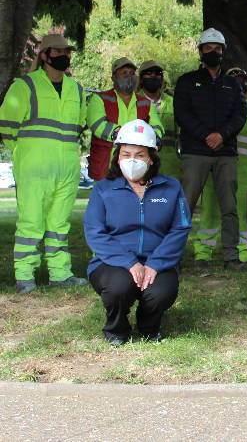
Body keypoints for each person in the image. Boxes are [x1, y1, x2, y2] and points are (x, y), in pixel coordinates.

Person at [83, 119, 191, 346]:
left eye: (139, 155)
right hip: (112, 263)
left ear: (151, 157)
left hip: (157, 262)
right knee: (119, 287)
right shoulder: (103, 189)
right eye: (126, 154)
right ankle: (117, 329)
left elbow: (180, 228)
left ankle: (149, 326)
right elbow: (95, 232)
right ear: (118, 157)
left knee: (161, 293)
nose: (132, 160)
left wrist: (155, 264)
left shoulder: (171, 187)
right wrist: (130, 263)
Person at [0, 33, 89, 294]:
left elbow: (78, 126)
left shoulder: (77, 89)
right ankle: (25, 276)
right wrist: (23, 154)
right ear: (45, 55)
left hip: (68, 168)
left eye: (67, 52)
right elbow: (6, 125)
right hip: (33, 167)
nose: (64, 57)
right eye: (58, 52)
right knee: (31, 222)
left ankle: (60, 274)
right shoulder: (25, 85)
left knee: (59, 224)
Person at [173, 28, 247, 268]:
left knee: (229, 207)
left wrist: (222, 135)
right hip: (196, 152)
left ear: (223, 52)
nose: (213, 52)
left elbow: (240, 115)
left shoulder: (232, 85)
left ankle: (231, 256)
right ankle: (173, 257)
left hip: (225, 153)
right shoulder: (186, 82)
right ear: (201, 51)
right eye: (208, 48)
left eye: (217, 48)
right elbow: (182, 114)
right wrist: (206, 135)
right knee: (186, 206)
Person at [193, 67, 247, 268]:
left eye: (242, 79)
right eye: (233, 78)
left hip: (245, 173)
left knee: (244, 214)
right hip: (214, 168)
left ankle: (244, 252)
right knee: (210, 210)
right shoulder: (214, 106)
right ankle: (203, 253)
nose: (238, 82)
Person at [86, 57, 163, 180]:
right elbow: (97, 124)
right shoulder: (99, 98)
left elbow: (157, 126)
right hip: (106, 167)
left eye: (132, 73)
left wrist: (155, 137)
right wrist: (126, 135)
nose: (129, 76)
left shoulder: (145, 103)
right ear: (113, 77)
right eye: (124, 73)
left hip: (137, 168)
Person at [138, 60, 180, 179]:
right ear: (141, 79)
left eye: (158, 73)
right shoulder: (133, 102)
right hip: (142, 165)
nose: (153, 76)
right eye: (149, 73)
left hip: (170, 166)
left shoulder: (173, 102)